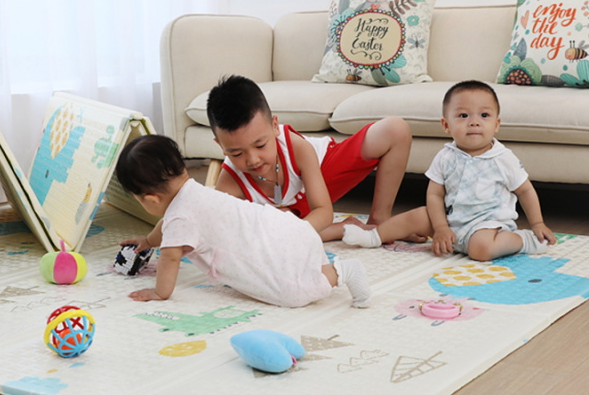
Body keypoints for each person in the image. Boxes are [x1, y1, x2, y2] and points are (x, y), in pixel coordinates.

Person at [115, 134, 372, 308]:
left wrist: (159, 293)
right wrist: (148, 241)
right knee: (301, 264)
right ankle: (331, 262)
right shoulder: (195, 192)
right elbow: (168, 228)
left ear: (151, 199)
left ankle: (343, 271)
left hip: (276, 245)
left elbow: (170, 257)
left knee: (293, 291)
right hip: (287, 228)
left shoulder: (179, 217)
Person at [341, 80, 557, 261]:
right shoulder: (445, 157)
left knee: (481, 249)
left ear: (497, 124)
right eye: (463, 116)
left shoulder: (503, 158)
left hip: (486, 226)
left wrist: (537, 223)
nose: (474, 122)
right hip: (449, 221)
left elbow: (525, 191)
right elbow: (435, 195)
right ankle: (374, 236)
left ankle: (524, 241)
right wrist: (441, 227)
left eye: (484, 115)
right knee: (418, 215)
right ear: (446, 125)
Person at [205, 75, 415, 242]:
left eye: (260, 145)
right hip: (292, 215)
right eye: (237, 153)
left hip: (323, 173)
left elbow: (323, 212)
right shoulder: (230, 182)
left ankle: (380, 220)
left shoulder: (297, 148)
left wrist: (287, 233)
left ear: (275, 126)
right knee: (258, 232)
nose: (253, 160)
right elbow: (221, 232)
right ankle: (342, 229)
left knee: (396, 129)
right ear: (221, 146)